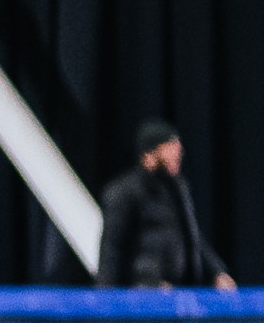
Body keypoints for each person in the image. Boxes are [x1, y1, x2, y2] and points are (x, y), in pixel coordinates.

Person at [97, 120, 235, 291]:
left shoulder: (178, 189)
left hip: (179, 293)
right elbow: (111, 249)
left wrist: (217, 271)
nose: (178, 152)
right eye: (170, 147)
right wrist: (105, 302)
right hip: (142, 294)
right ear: (149, 153)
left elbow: (192, 236)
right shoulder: (124, 192)